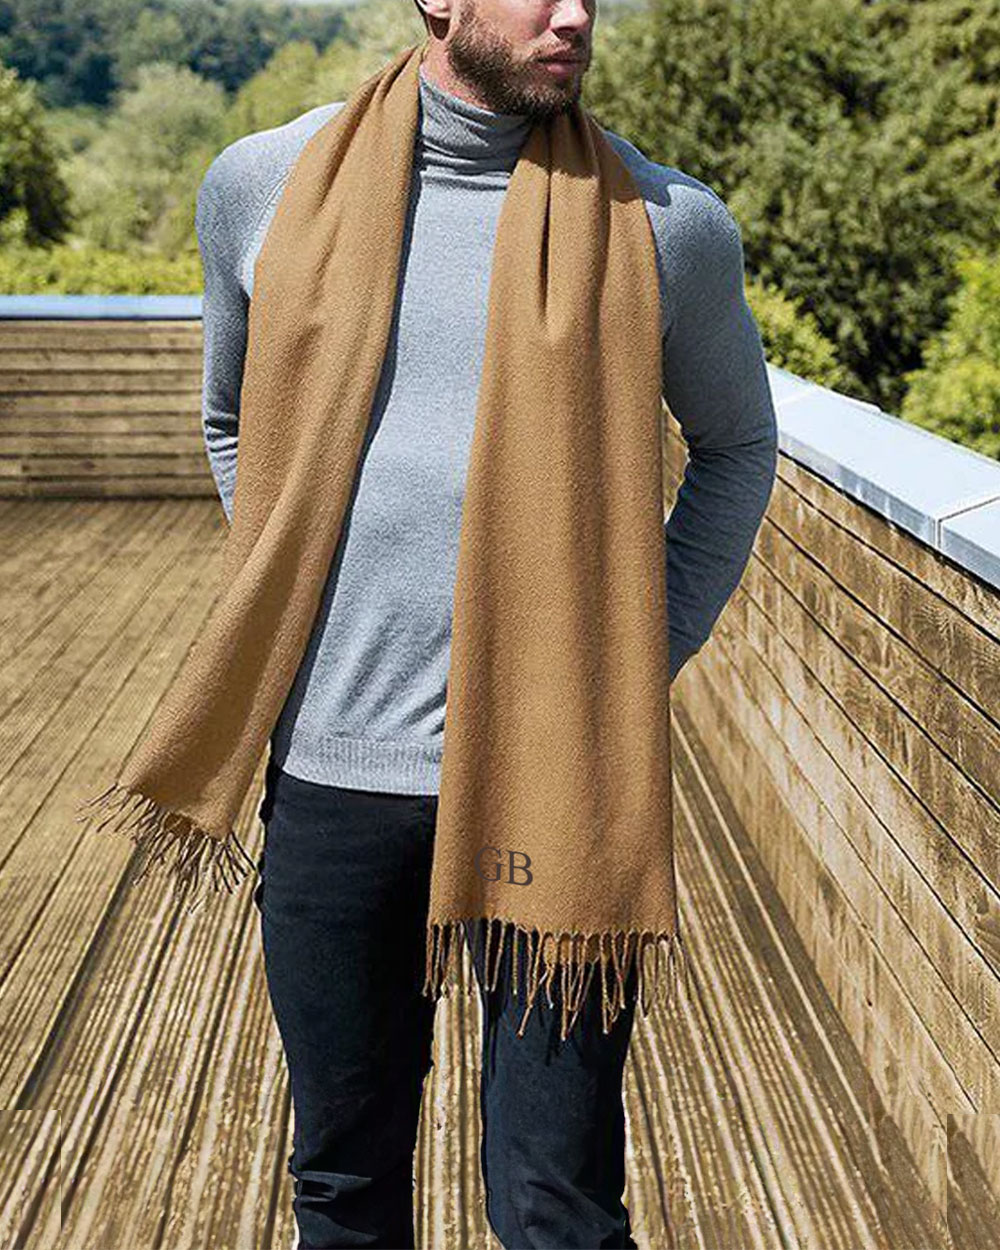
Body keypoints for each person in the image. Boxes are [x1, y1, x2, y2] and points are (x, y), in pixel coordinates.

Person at [194, 0, 778, 1245]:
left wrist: (636, 656)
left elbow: (736, 448)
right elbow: (233, 419)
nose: (575, 15)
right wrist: (291, 598)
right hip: (336, 771)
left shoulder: (664, 224)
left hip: (561, 771)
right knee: (343, 1184)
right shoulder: (263, 185)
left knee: (559, 1203)